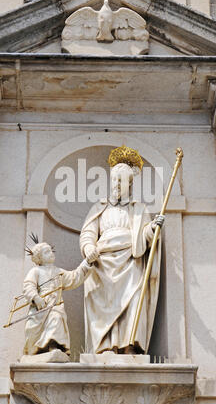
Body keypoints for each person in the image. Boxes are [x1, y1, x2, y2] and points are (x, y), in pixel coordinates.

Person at [80, 146, 164, 355]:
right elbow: (88, 232)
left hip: (131, 261)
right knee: (104, 303)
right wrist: (89, 246)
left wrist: (153, 228)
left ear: (130, 184)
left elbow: (145, 234)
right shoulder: (100, 207)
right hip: (102, 265)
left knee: (133, 300)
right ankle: (105, 346)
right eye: (114, 180)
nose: (116, 185)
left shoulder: (139, 209)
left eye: (121, 181)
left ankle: (129, 346)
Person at [22, 239, 94, 358]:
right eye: (46, 252)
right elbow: (28, 286)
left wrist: (86, 262)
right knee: (34, 330)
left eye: (51, 251)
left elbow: (74, 277)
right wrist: (36, 297)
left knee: (56, 319)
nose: (51, 253)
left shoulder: (59, 272)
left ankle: (53, 347)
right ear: (39, 257)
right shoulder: (35, 271)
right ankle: (38, 350)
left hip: (55, 305)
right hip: (41, 307)